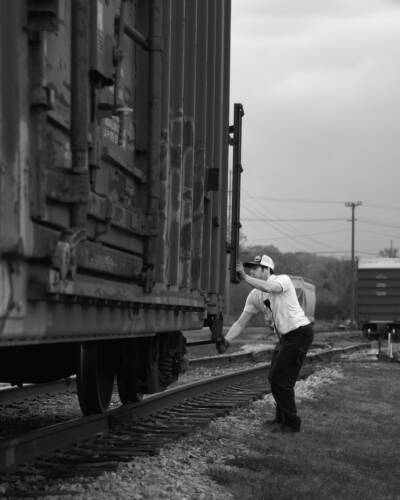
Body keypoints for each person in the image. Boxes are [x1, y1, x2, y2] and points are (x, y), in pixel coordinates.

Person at [221, 254, 314, 433]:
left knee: (281, 381)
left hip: (300, 333)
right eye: (249, 269)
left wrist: (246, 278)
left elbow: (271, 287)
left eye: (255, 268)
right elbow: (241, 322)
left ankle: (292, 424)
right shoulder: (255, 295)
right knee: (275, 379)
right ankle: (281, 419)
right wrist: (227, 340)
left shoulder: (283, 280)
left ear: (267, 269)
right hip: (286, 338)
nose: (251, 271)